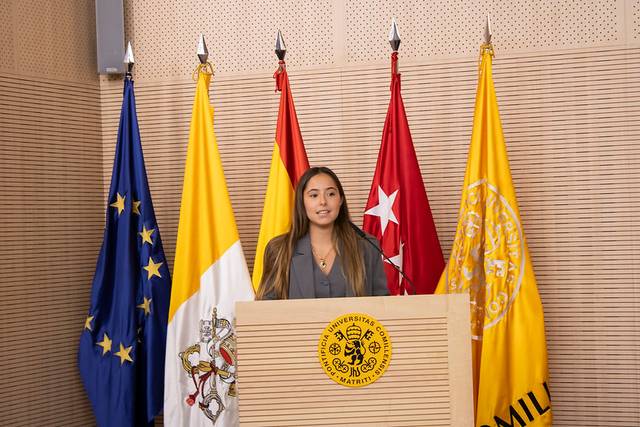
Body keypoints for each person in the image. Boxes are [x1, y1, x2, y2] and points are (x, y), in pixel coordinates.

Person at [257, 166, 389, 300]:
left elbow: (382, 306)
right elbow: (265, 309)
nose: (323, 202)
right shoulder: (279, 250)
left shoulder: (367, 247)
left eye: (331, 194)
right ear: (302, 202)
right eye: (314, 195)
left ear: (341, 200)